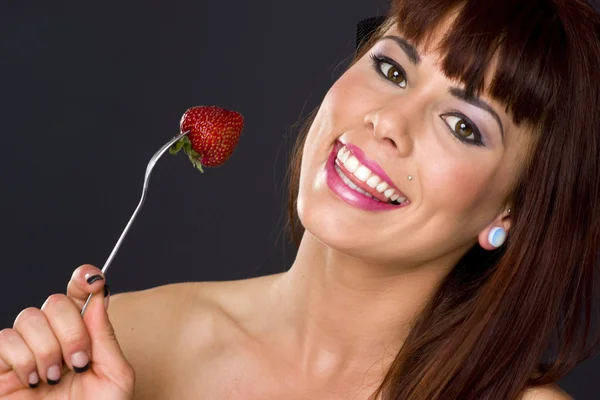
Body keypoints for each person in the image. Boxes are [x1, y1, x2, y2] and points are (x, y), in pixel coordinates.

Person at [1, 0, 599, 398]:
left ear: (509, 214)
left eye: (463, 125)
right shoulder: (122, 338)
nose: (388, 119)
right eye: (392, 69)